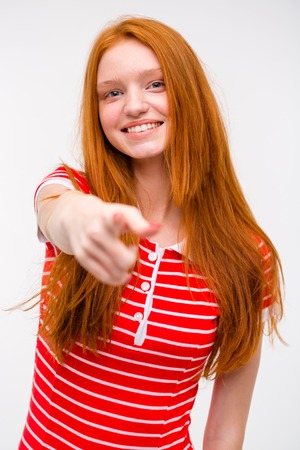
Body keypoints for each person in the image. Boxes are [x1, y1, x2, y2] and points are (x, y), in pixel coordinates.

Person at [19, 16, 283, 450]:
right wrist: (78, 220)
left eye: (156, 84)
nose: (135, 106)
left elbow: (226, 429)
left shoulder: (248, 255)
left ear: (190, 95)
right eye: (113, 93)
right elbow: (56, 211)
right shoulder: (73, 189)